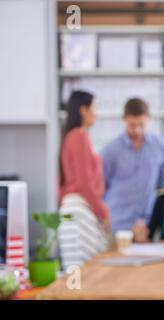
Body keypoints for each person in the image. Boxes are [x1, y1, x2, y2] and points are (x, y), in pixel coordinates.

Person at [101, 98, 164, 233]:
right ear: (124, 119)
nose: (137, 130)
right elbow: (100, 187)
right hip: (116, 223)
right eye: (132, 125)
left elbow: (163, 184)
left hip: (147, 224)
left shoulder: (159, 146)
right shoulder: (110, 150)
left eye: (141, 125)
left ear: (148, 119)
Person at [58, 90, 110, 270]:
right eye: (95, 107)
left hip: (76, 209)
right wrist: (104, 212)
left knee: (80, 275)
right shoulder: (79, 136)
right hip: (79, 211)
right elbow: (84, 183)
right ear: (83, 110)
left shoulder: (70, 136)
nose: (97, 112)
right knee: (86, 273)